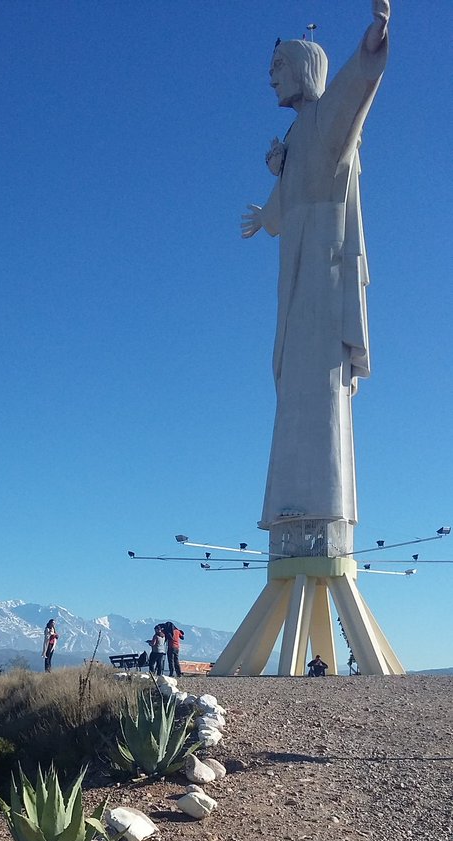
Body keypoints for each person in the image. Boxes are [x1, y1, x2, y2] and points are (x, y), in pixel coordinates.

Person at [241, 1, 390, 554]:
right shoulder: (298, 136)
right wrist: (268, 211)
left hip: (324, 274)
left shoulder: (328, 122)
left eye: (279, 66)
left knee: (318, 381)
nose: (271, 76)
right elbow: (284, 208)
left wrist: (372, 43)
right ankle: (290, 508)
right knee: (291, 375)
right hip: (297, 273)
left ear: (305, 67)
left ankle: (322, 512)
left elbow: (355, 92)